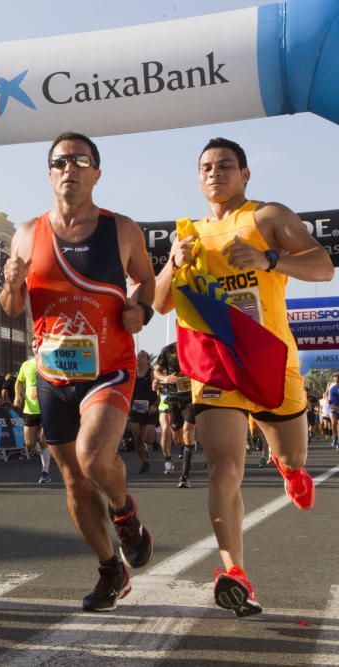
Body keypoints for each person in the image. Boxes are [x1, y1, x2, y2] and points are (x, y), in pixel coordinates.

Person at [154, 137, 334, 617]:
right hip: (216, 366)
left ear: (246, 174)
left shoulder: (268, 217)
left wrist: (268, 260)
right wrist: (174, 264)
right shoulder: (186, 233)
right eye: (207, 167)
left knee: (292, 452)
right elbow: (159, 303)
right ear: (198, 178)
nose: (216, 173)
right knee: (224, 468)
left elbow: (323, 266)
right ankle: (235, 573)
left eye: (226, 166)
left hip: (270, 363)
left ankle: (290, 469)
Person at [0, 131, 156, 612]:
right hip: (52, 374)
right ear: (49, 173)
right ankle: (111, 568)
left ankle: (125, 515)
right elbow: (10, 309)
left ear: (96, 173)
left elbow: (146, 282)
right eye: (60, 161)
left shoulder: (121, 229)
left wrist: (141, 312)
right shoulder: (26, 234)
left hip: (109, 368)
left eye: (80, 160)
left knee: (92, 457)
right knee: (72, 480)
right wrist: (10, 285)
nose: (70, 167)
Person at [154, 342, 196, 486]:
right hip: (173, 398)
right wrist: (164, 378)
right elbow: (157, 371)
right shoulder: (168, 350)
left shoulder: (196, 347)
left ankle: (185, 476)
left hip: (192, 398)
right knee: (178, 438)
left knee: (187, 430)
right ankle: (188, 446)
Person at [15, 342, 51, 483]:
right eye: (34, 346)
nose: (36, 348)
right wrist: (17, 396)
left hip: (47, 408)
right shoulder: (26, 364)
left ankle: (45, 472)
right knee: (29, 444)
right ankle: (44, 451)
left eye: (39, 345)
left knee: (43, 440)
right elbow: (18, 382)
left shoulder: (51, 362)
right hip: (30, 409)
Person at [129, 350, 159, 474]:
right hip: (136, 409)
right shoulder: (132, 374)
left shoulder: (152, 374)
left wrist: (156, 405)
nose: (139, 358)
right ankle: (145, 462)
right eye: (138, 356)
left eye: (142, 356)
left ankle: (154, 441)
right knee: (136, 437)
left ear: (147, 360)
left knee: (148, 439)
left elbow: (162, 392)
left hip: (150, 410)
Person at [329, 374, 339, 449]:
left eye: (337, 377)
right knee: (334, 423)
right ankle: (335, 436)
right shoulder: (330, 386)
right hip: (333, 408)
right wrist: (327, 399)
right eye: (335, 378)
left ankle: (338, 440)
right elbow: (326, 395)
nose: (336, 379)